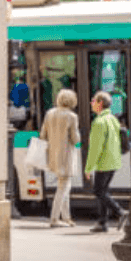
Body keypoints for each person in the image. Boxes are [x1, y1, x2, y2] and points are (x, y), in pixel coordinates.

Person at [84, 90, 128, 232]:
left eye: (93, 101)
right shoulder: (113, 119)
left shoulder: (99, 122)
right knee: (103, 191)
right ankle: (102, 223)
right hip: (114, 161)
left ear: (100, 103)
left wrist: (89, 167)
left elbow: (95, 148)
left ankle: (120, 212)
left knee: (98, 191)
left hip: (104, 162)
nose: (91, 103)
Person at [40, 88, 80, 228]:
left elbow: (42, 135)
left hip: (53, 155)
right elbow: (75, 139)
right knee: (63, 188)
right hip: (66, 156)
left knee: (63, 186)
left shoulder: (49, 114)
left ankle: (66, 217)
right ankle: (54, 219)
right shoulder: (71, 116)